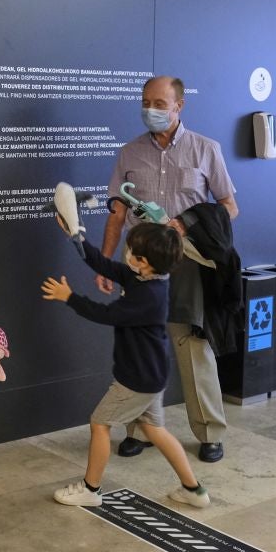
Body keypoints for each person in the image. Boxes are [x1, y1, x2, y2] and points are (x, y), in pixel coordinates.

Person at [101, 75, 238, 463]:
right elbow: (116, 214)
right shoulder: (129, 152)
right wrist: (108, 262)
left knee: (192, 347)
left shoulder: (205, 149)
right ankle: (142, 430)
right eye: (147, 102)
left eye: (160, 103)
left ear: (179, 106)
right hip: (139, 266)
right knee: (141, 351)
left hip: (187, 264)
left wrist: (186, 223)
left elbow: (230, 207)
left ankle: (210, 432)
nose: (151, 110)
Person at [42, 196, 209, 509]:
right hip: (153, 373)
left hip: (137, 379)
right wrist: (76, 236)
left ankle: (91, 489)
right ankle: (194, 490)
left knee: (99, 423)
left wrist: (69, 297)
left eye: (133, 251)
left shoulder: (148, 296)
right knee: (155, 430)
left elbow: (106, 315)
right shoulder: (149, 276)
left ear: (145, 262)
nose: (127, 253)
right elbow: (104, 265)